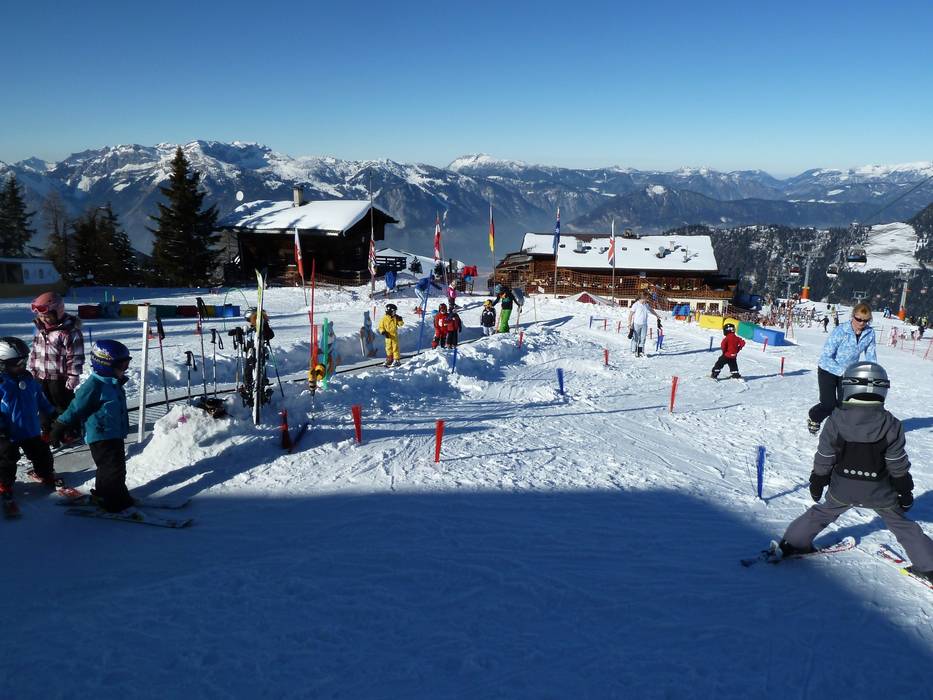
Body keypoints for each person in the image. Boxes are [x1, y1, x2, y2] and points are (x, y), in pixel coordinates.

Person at [778, 362, 933, 582]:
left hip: (842, 489)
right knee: (901, 524)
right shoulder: (892, 424)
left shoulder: (835, 419)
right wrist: (904, 489)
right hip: (880, 492)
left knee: (822, 512)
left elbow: (825, 455)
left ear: (848, 386)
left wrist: (818, 479)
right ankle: (929, 565)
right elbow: (896, 462)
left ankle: (792, 543)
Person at [49, 341, 133, 513]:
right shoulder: (94, 385)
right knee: (113, 469)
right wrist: (60, 425)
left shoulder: (113, 382)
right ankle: (112, 501)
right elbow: (75, 407)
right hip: (101, 435)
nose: (125, 369)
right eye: (122, 365)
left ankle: (106, 494)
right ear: (105, 365)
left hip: (114, 433)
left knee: (110, 467)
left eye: (127, 364)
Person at [0, 337, 57, 510]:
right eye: (17, 363)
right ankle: (4, 483)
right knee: (7, 458)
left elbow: (40, 398)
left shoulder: (29, 379)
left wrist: (51, 413)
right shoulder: (2, 384)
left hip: (30, 429)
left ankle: (45, 474)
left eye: (24, 361)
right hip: (7, 432)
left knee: (42, 453)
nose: (22, 365)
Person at [808, 303, 877, 435]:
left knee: (845, 405)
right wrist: (842, 371)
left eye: (866, 320)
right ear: (853, 316)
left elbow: (871, 355)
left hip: (848, 373)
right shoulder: (841, 331)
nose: (862, 323)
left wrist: (873, 372)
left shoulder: (869, 333)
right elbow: (826, 356)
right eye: (859, 319)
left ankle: (839, 431)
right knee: (829, 405)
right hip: (828, 369)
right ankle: (814, 417)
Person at [27, 291, 85, 425]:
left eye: (47, 316)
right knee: (42, 405)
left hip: (59, 379)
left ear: (58, 312)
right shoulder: (39, 329)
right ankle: (48, 429)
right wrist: (33, 370)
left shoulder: (69, 332)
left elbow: (75, 356)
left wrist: (73, 376)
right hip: (40, 377)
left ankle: (70, 429)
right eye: (41, 316)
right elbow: (35, 351)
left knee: (62, 405)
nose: (43, 319)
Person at [628, 291, 661, 357]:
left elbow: (651, 310)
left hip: (644, 324)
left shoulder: (646, 304)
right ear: (642, 298)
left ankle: (640, 351)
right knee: (636, 338)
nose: (647, 299)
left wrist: (656, 315)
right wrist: (629, 324)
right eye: (646, 298)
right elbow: (630, 315)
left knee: (643, 338)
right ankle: (633, 351)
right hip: (636, 324)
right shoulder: (636, 305)